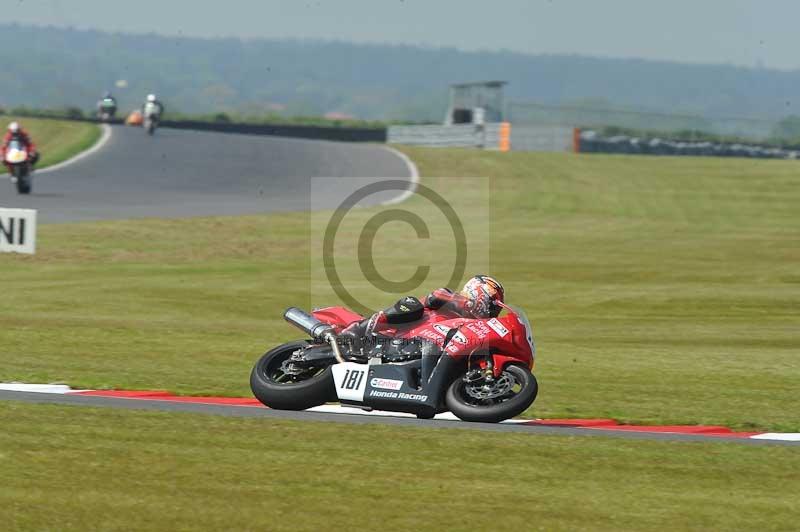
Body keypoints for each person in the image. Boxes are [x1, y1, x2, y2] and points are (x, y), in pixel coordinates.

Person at [339, 275, 505, 353]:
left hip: (424, 348)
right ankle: (359, 328)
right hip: (402, 332)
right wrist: (465, 303)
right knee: (413, 305)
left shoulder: (473, 325)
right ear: (478, 293)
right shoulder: (452, 299)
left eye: (495, 310)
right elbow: (436, 296)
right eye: (491, 306)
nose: (491, 312)